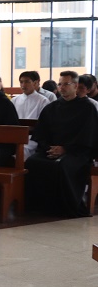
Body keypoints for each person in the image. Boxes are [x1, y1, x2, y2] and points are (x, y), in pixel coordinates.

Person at [26, 71, 98, 217]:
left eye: (66, 84)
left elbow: (87, 136)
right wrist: (49, 148)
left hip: (77, 152)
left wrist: (65, 149)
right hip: (51, 150)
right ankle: (40, 205)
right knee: (33, 161)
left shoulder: (87, 108)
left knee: (63, 165)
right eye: (60, 84)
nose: (62, 87)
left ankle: (66, 207)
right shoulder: (52, 108)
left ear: (76, 86)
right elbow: (42, 134)